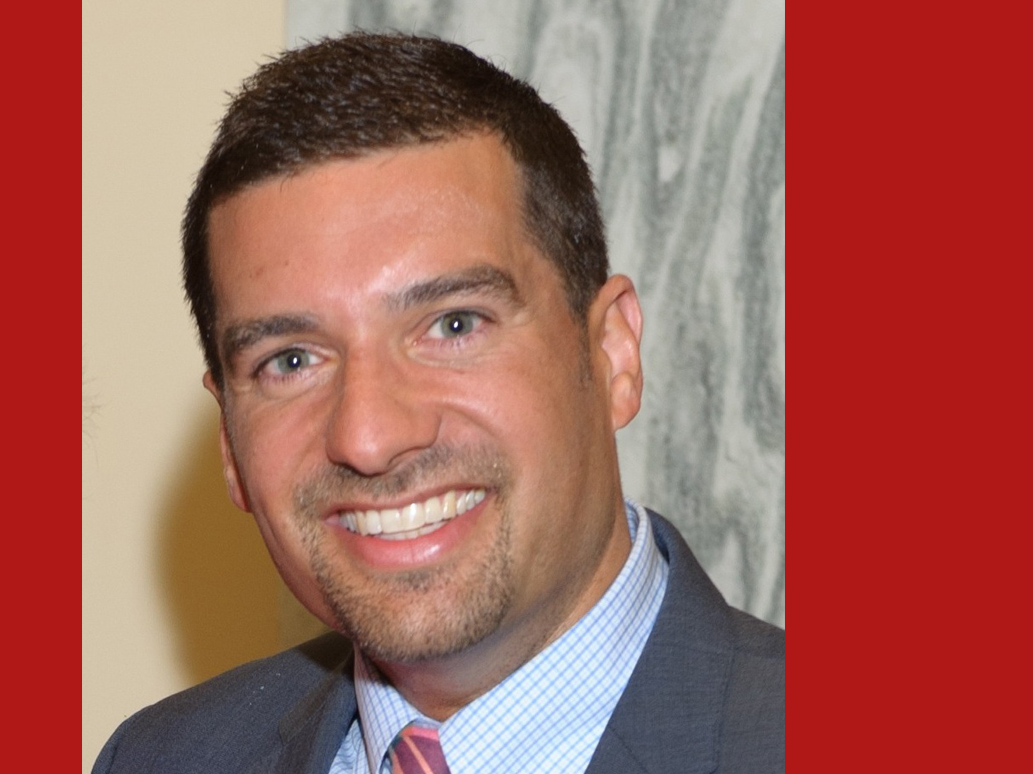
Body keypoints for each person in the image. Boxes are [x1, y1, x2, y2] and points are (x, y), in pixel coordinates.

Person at [92, 31, 783, 774]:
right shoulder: (161, 759)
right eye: (290, 360)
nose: (369, 434)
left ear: (612, 354)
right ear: (229, 440)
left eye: (453, 324)